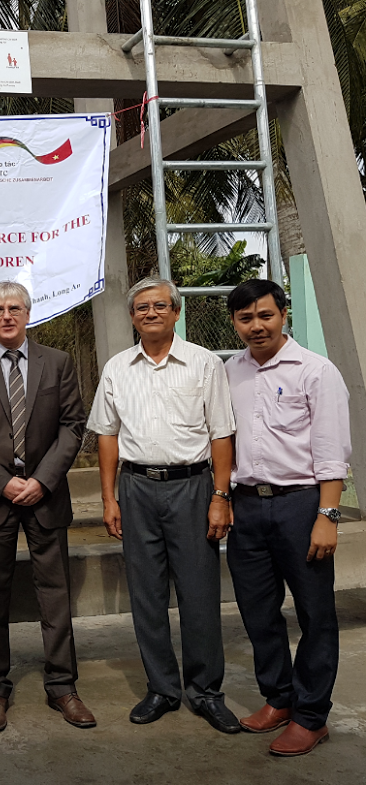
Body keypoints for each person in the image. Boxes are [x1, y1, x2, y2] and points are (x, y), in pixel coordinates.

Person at [87, 276, 240, 733]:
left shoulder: (204, 364)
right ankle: (162, 688)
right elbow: (107, 435)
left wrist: (220, 495)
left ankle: (206, 692)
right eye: (141, 308)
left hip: (193, 488)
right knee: (147, 595)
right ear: (132, 317)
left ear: (176, 312)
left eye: (159, 306)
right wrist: (108, 497)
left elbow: (221, 433)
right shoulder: (117, 368)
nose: (150, 313)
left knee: (199, 593)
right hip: (136, 489)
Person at [0, 281, 92, 733]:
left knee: (56, 594)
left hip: (44, 495)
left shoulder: (58, 362)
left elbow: (73, 426)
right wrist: (3, 483)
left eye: (14, 308)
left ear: (28, 314)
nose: (6, 315)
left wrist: (41, 480)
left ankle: (63, 686)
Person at [225, 279, 350, 756]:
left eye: (265, 316)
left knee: (315, 613)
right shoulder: (230, 372)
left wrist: (328, 515)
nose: (256, 326)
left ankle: (312, 716)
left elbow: (332, 449)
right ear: (235, 323)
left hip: (301, 504)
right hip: (247, 506)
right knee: (258, 611)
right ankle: (279, 699)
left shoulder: (315, 371)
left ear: (283, 314)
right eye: (246, 318)